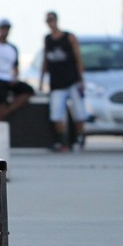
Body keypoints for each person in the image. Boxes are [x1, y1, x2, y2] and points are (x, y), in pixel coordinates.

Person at [39, 11, 86, 151]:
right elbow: (45, 60)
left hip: (72, 81)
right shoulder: (47, 39)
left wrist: (81, 79)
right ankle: (63, 141)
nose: (51, 23)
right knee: (56, 114)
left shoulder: (69, 37)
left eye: (52, 20)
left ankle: (79, 138)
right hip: (57, 83)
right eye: (48, 20)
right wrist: (42, 81)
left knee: (79, 112)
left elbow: (78, 58)